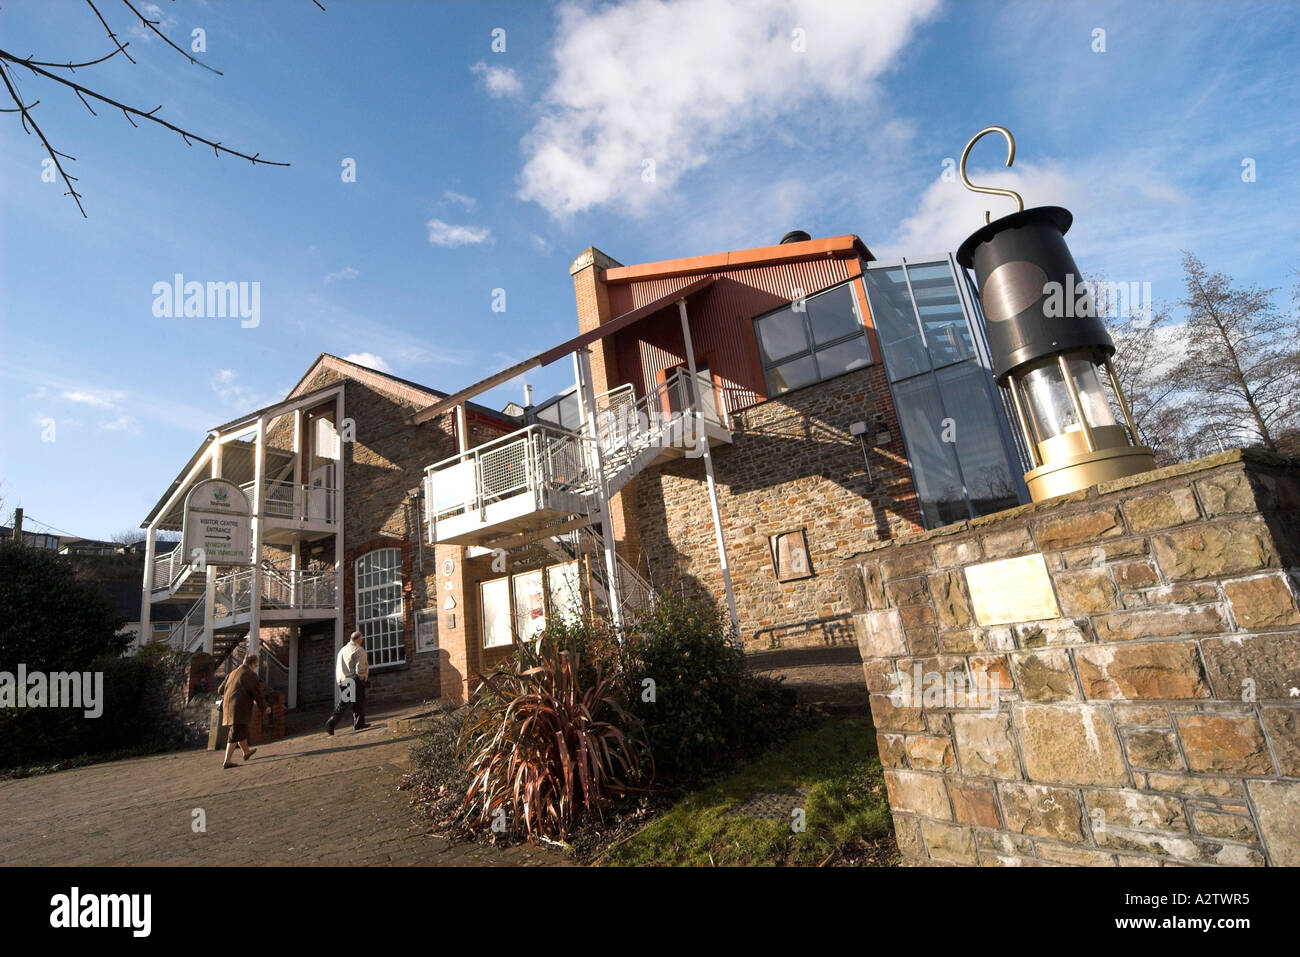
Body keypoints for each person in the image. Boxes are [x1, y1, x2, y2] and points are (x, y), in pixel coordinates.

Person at [217, 653, 271, 769]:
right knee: (235, 732)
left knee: (240, 729)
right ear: (252, 664)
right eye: (256, 665)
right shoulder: (250, 675)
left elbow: (220, 690)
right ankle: (227, 761)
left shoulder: (232, 673)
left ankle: (246, 752)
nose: (255, 668)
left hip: (228, 706)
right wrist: (264, 707)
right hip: (239, 707)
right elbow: (257, 693)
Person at [326, 631, 370, 734]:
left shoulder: (342, 650)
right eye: (361, 639)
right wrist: (362, 678)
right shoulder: (359, 650)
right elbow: (360, 667)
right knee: (354, 703)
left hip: (343, 679)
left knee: (350, 703)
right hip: (354, 679)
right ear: (359, 639)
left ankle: (359, 723)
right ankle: (331, 723)